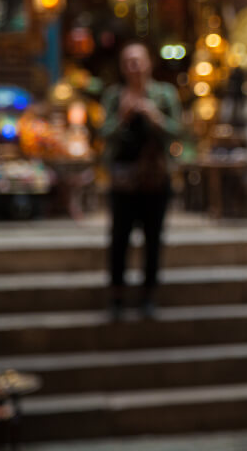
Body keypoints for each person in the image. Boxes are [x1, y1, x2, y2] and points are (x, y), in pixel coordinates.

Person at [99, 41, 182, 320]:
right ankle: (117, 296)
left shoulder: (164, 94)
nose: (133, 66)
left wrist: (154, 116)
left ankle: (148, 295)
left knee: (153, 238)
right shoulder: (114, 96)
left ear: (148, 63)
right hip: (123, 179)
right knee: (119, 238)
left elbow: (178, 131)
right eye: (128, 61)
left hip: (155, 179)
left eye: (138, 60)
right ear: (122, 67)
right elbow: (103, 133)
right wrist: (122, 117)